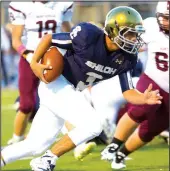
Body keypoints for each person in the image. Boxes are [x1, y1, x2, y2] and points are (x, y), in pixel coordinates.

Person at [1, 6, 162, 171]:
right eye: (130, 33)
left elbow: (127, 91)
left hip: (69, 91)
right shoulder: (88, 36)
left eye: (136, 34)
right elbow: (49, 38)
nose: (135, 39)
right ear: (113, 31)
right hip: (57, 84)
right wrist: (34, 63)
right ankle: (47, 160)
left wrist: (142, 98)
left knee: (36, 144)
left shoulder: (127, 57)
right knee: (93, 124)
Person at [101, 1, 169, 169]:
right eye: (166, 18)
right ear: (159, 17)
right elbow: (130, 43)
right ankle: (114, 144)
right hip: (153, 78)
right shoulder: (150, 26)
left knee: (152, 129)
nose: (168, 22)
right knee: (140, 109)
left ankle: (121, 155)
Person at [7, 1, 74, 145]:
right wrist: (30, 57)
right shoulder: (21, 5)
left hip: (53, 57)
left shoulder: (62, 4)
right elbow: (16, 41)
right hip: (29, 56)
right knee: (26, 105)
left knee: (62, 99)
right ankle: (16, 139)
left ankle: (76, 141)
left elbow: (70, 33)